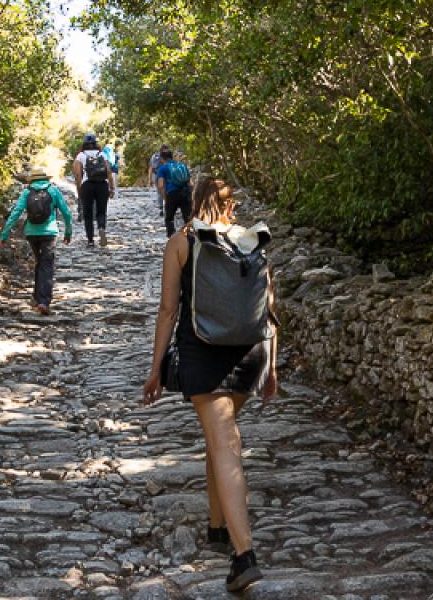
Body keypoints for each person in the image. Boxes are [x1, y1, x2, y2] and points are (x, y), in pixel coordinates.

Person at [141, 176, 276, 592]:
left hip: (202, 352)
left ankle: (244, 554)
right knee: (219, 439)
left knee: (224, 444)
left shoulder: (182, 241)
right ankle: (217, 527)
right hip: (250, 353)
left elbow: (167, 311)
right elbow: (269, 307)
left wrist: (155, 368)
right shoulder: (250, 239)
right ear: (230, 205)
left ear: (193, 203)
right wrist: (271, 366)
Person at [0, 165, 73, 314]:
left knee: (40, 262)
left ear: (31, 180)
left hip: (31, 233)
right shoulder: (53, 190)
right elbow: (66, 212)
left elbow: (16, 212)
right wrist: (68, 232)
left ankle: (37, 297)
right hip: (50, 232)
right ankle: (44, 301)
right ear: (46, 178)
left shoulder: (27, 192)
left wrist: (4, 234)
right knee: (47, 264)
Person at [72, 133, 116, 245]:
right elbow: (109, 172)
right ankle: (101, 228)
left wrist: (79, 189)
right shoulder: (102, 154)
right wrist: (111, 188)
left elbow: (77, 175)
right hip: (102, 184)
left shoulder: (81, 156)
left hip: (87, 185)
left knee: (87, 213)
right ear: (95, 143)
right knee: (101, 211)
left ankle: (90, 240)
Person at [158, 148, 193, 237]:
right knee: (188, 217)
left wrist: (165, 197)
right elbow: (191, 183)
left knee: (169, 218)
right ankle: (191, 236)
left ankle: (172, 236)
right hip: (185, 193)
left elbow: (161, 185)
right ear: (171, 157)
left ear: (162, 159)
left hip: (172, 193)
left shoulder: (162, 168)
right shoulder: (182, 166)